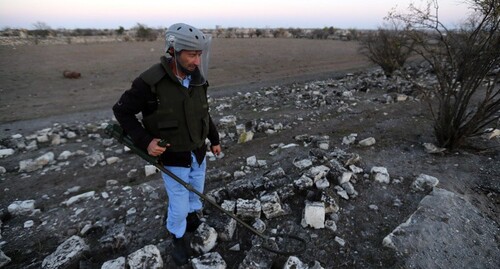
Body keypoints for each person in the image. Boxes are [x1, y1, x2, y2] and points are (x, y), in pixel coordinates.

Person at [112, 22, 221, 266]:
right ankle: (178, 236)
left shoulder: (197, 79)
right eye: (192, 54)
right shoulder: (149, 82)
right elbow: (122, 112)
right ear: (173, 50)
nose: (197, 61)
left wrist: (214, 139)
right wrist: (146, 141)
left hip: (198, 152)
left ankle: (192, 219)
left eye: (200, 54)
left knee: (197, 191)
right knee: (179, 205)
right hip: (173, 159)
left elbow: (203, 113)